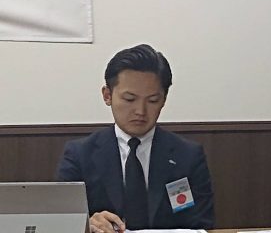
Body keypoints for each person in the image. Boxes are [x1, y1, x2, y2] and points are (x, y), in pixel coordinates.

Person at [57, 44, 214, 233]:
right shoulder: (79, 155)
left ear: (164, 100)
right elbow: (63, 221)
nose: (140, 111)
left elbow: (201, 223)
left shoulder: (187, 155)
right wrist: (88, 224)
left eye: (153, 100)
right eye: (130, 99)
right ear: (107, 96)